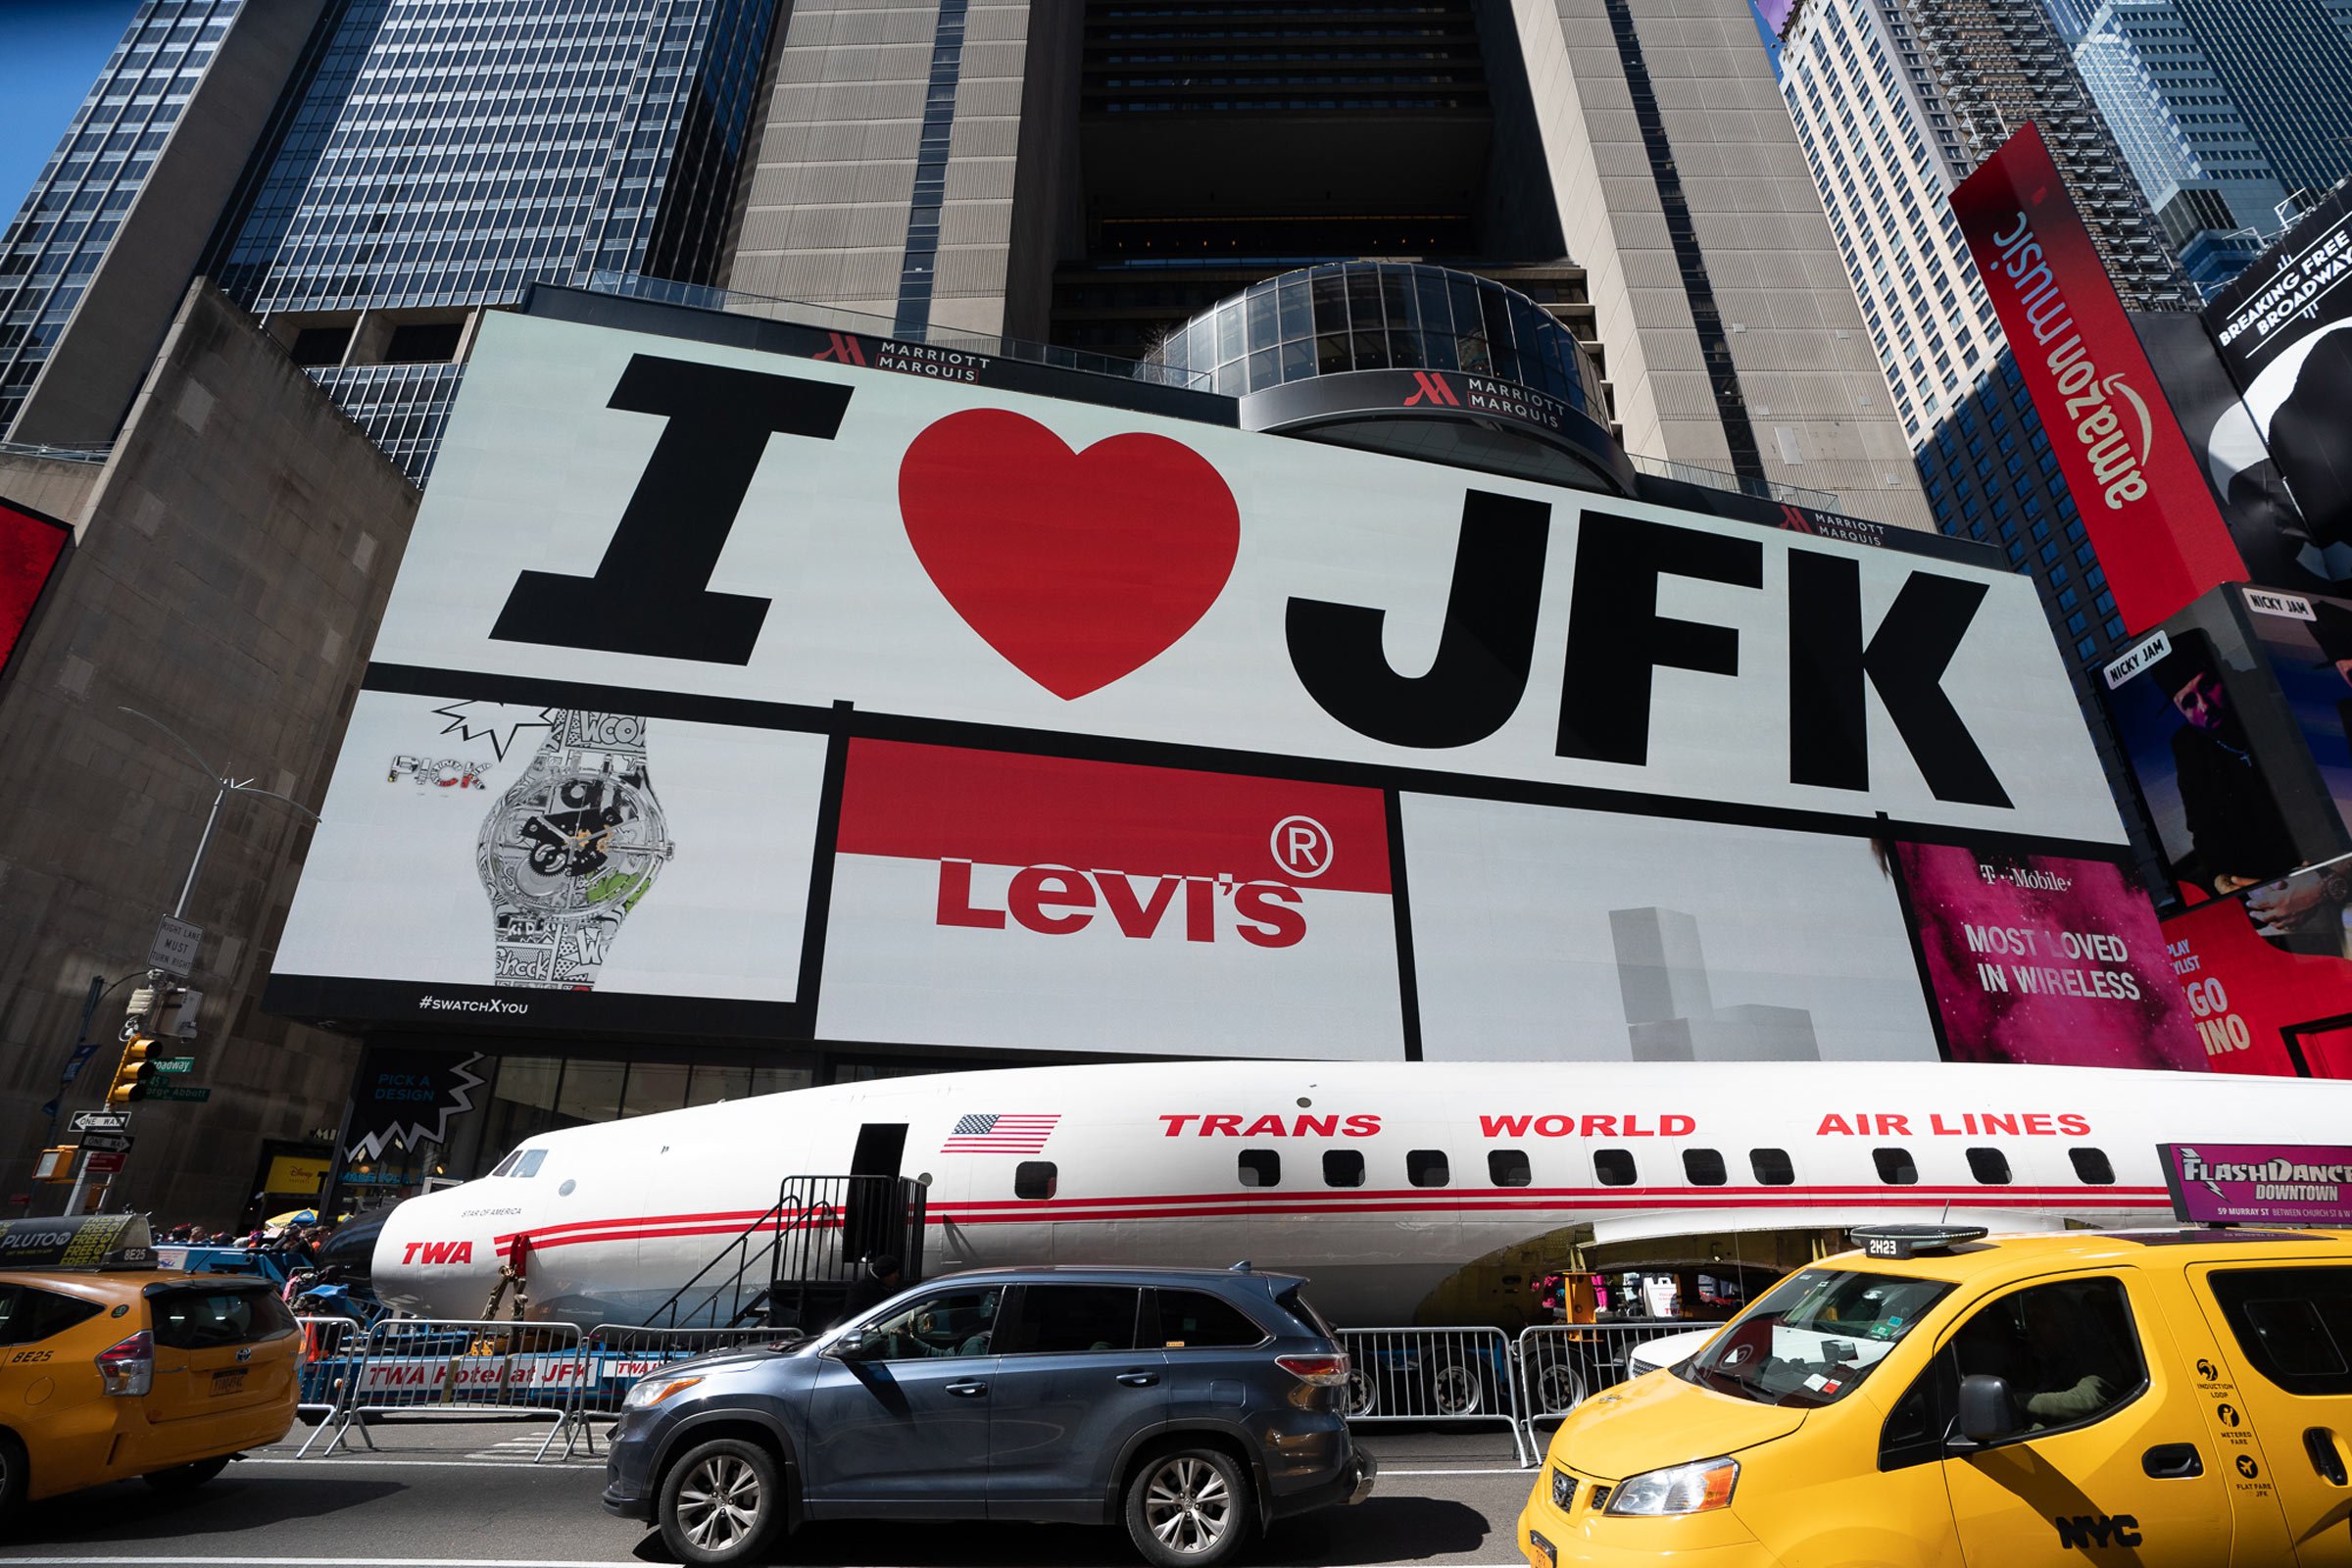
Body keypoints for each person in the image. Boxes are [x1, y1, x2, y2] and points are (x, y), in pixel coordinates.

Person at [2151, 635, 2300, 895]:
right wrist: (2223, 881)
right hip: (2260, 882)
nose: (2205, 707)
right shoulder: (2188, 746)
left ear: (2226, 674)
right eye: (2188, 702)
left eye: (2208, 686)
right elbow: (2203, 824)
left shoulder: (2269, 692)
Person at [835, 1253, 903, 1327]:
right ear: (885, 1273)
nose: (897, 1276)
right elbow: (852, 1317)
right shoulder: (859, 1290)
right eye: (895, 1273)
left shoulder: (890, 1287)